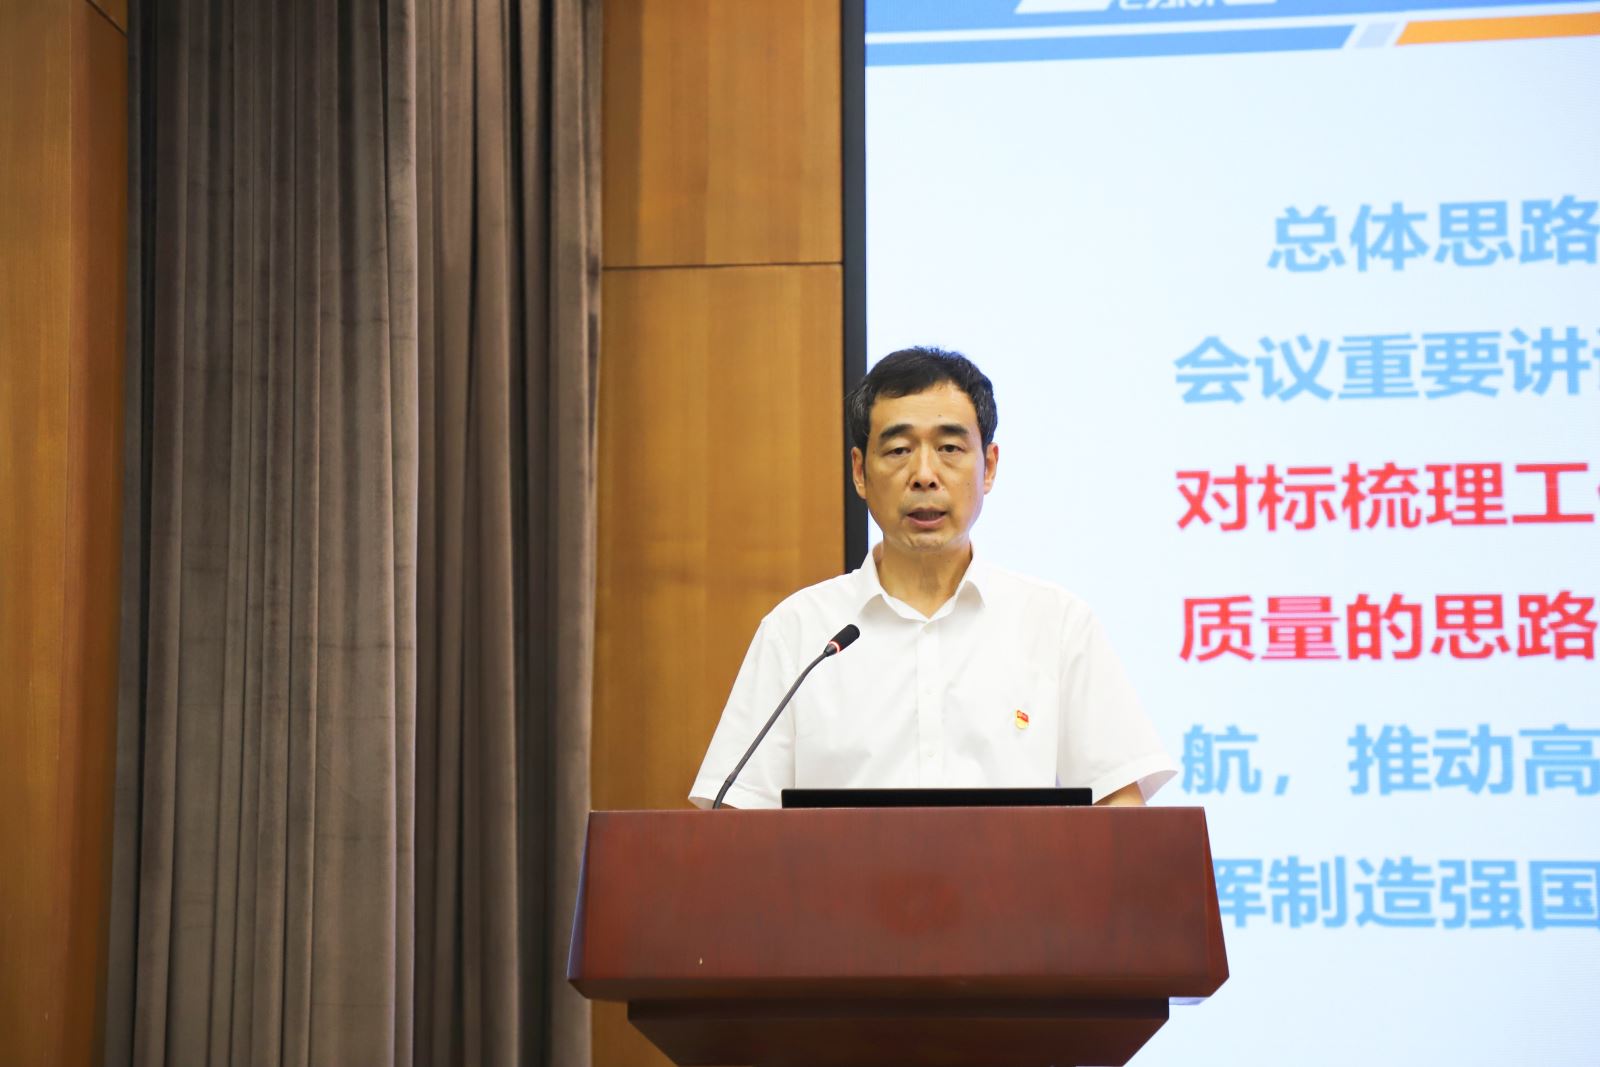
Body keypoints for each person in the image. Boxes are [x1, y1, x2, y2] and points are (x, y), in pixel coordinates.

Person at [689, 346, 1176, 809]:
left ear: (988, 467)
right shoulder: (799, 632)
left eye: (949, 448)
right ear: (859, 472)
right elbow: (738, 818)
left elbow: (1119, 808)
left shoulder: (1057, 625)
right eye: (899, 450)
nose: (924, 474)